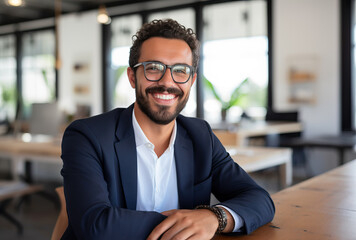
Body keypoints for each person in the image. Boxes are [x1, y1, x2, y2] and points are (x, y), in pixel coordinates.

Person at [60, 19, 275, 240]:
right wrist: (191, 222)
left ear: (191, 80)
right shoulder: (87, 136)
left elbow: (259, 199)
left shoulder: (200, 135)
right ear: (133, 77)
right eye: (153, 68)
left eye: (180, 71)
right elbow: (94, 224)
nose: (167, 82)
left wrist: (214, 218)